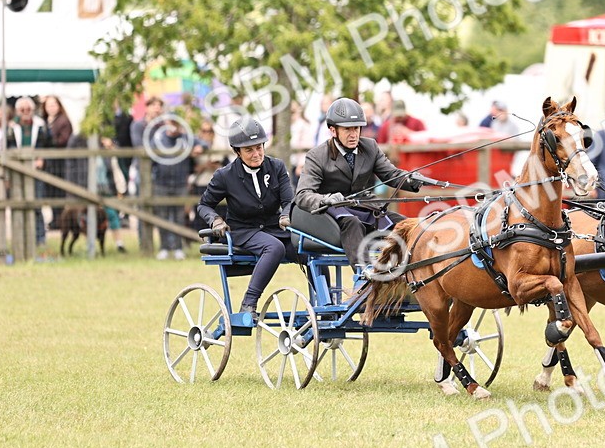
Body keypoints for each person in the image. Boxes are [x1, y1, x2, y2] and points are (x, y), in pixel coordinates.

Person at [294, 97, 422, 271]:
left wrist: (411, 180)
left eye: (356, 128)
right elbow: (303, 195)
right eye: (347, 129)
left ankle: (412, 270)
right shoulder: (317, 156)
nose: (354, 134)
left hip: (364, 207)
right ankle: (364, 273)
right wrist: (326, 199)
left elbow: (391, 175)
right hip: (331, 213)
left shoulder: (370, 147)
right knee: (352, 222)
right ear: (333, 130)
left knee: (406, 226)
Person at [197, 118, 297, 320]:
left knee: (307, 246)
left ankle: (326, 301)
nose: (256, 154)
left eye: (259, 147)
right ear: (237, 152)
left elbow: (289, 200)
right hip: (243, 231)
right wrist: (215, 220)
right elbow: (204, 205)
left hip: (274, 228)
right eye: (249, 150)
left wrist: (286, 215)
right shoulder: (225, 175)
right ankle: (249, 303)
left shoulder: (277, 167)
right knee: (274, 248)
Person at [0, 97, 51, 247]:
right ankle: (20, 237)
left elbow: (49, 146)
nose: (26, 112)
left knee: (37, 205)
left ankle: (40, 239)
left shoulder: (41, 126)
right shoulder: (9, 128)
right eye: (22, 110)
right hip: (17, 172)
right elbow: (4, 148)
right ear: (17, 111)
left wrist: (43, 159)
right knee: (18, 205)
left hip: (36, 171)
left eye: (28, 109)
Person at [151, 115, 194, 260]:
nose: (173, 127)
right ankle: (164, 247)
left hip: (180, 183)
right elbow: (149, 155)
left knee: (179, 217)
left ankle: (178, 248)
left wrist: (200, 147)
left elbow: (203, 143)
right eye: (171, 123)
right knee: (162, 216)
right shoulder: (158, 139)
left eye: (176, 123)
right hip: (161, 183)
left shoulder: (186, 138)